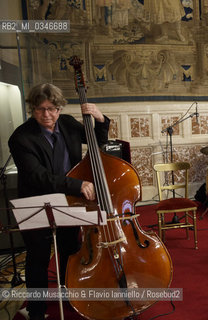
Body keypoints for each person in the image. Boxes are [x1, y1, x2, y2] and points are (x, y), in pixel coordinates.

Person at [8, 83, 110, 320]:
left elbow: (96, 142)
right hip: (36, 202)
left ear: (59, 108)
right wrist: (78, 185)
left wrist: (100, 118)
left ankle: (69, 296)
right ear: (32, 109)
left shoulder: (67, 124)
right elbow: (37, 176)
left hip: (68, 201)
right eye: (40, 109)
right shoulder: (21, 138)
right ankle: (36, 310)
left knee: (69, 251)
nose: (47, 115)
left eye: (52, 109)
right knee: (38, 258)